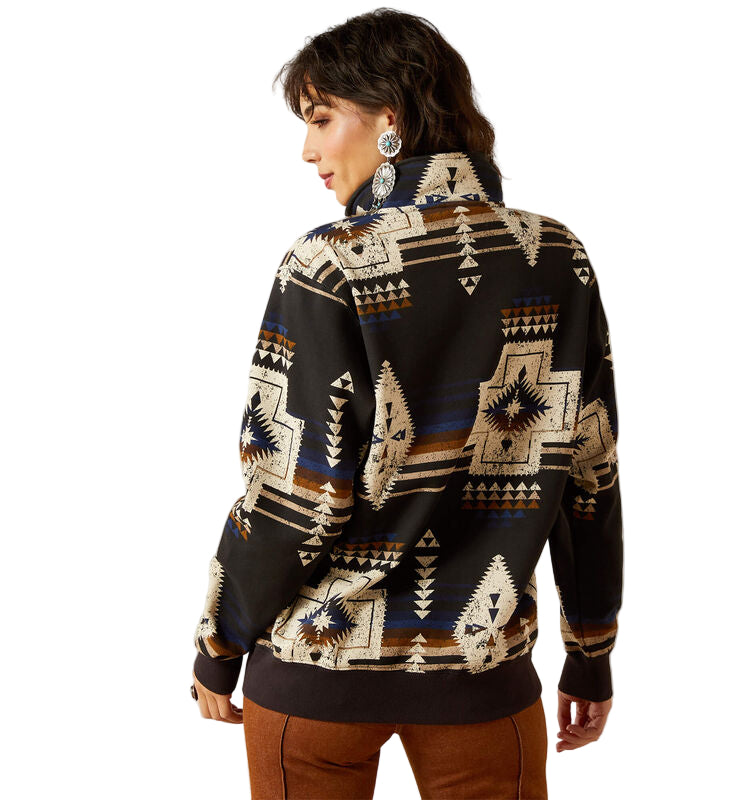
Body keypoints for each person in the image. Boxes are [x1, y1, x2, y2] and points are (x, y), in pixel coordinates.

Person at [190, 8, 623, 799]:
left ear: (388, 116)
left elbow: (295, 492)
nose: (308, 150)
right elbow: (588, 473)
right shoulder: (557, 257)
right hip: (482, 678)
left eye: (321, 118)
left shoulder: (329, 266)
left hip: (318, 678)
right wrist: (590, 649)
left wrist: (220, 642)